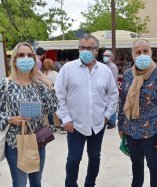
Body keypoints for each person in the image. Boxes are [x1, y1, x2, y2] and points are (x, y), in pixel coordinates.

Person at [54, 34, 119, 187]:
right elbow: (59, 95)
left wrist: (107, 116)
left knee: (95, 157)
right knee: (73, 158)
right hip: (75, 124)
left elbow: (113, 94)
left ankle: (90, 184)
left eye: (89, 48)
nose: (85, 50)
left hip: (98, 124)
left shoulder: (105, 71)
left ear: (96, 51)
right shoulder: (68, 69)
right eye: (82, 47)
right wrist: (65, 119)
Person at [0, 42, 58, 187]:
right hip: (15, 143)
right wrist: (10, 119)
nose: (26, 58)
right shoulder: (5, 85)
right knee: (20, 183)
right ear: (14, 59)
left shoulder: (38, 85)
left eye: (29, 55)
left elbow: (52, 108)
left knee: (36, 182)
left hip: (38, 140)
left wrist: (50, 86)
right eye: (21, 55)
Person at [118, 39, 157, 187]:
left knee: (154, 166)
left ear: (151, 53)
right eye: (138, 52)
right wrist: (121, 126)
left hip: (152, 132)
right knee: (136, 166)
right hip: (131, 131)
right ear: (132, 55)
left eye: (145, 51)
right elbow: (123, 100)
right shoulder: (128, 75)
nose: (142, 55)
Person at [42, 58, 60, 132]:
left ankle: (52, 126)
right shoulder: (55, 73)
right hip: (55, 94)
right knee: (58, 110)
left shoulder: (43, 75)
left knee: (49, 111)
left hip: (46, 95)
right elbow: (59, 84)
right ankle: (61, 126)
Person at [102, 49, 119, 129]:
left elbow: (114, 79)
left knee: (111, 105)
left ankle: (112, 122)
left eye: (107, 56)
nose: (105, 57)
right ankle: (108, 120)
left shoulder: (113, 67)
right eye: (104, 55)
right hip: (104, 89)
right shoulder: (104, 66)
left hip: (110, 89)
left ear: (111, 57)